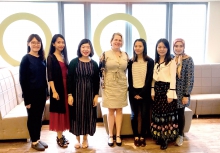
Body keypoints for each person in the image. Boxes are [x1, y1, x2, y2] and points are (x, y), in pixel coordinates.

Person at [67, 39, 100, 149]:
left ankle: (85, 138)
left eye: (88, 47)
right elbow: (69, 79)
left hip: (89, 94)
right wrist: (70, 94)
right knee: (77, 115)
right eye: (83, 47)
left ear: (91, 49)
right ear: (79, 49)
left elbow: (96, 81)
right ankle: (77, 139)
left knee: (88, 115)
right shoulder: (73, 62)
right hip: (76, 93)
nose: (85, 49)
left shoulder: (94, 64)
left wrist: (96, 95)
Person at [19, 34, 49, 151]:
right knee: (32, 118)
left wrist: (47, 93)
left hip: (41, 93)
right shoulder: (26, 59)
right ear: (28, 44)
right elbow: (23, 80)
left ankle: (37, 138)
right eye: (33, 42)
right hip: (31, 95)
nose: (36, 45)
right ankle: (34, 141)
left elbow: (43, 77)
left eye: (38, 42)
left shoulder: (42, 58)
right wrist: (27, 99)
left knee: (39, 118)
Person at [99, 33, 128, 147]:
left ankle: (118, 135)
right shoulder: (105, 54)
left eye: (120, 40)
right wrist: (103, 86)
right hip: (109, 85)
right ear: (111, 41)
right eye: (115, 40)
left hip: (121, 84)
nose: (117, 42)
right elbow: (100, 71)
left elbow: (126, 70)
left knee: (120, 110)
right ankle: (111, 135)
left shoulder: (125, 54)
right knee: (111, 110)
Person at [151, 38, 178, 150]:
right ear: (156, 48)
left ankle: (165, 138)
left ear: (167, 48)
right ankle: (159, 136)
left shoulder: (171, 62)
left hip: (167, 90)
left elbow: (173, 79)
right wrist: (152, 91)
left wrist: (171, 94)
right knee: (158, 114)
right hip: (157, 89)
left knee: (166, 115)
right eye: (159, 47)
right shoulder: (155, 62)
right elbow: (153, 79)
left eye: (164, 47)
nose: (161, 49)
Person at [127, 38, 154, 147]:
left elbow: (149, 79)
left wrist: (142, 93)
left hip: (145, 92)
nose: (137, 48)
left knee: (144, 114)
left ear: (144, 47)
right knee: (134, 115)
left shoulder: (150, 61)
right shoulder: (130, 61)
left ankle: (143, 136)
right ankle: (136, 136)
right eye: (135, 46)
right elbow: (129, 79)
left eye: (140, 46)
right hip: (133, 91)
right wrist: (134, 93)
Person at [47, 34, 70, 148]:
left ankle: (62, 135)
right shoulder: (51, 57)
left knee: (65, 110)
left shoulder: (63, 56)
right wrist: (54, 91)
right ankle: (59, 136)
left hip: (66, 86)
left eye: (63, 42)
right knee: (58, 111)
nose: (61, 44)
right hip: (57, 88)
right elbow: (50, 76)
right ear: (53, 44)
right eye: (59, 42)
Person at [173, 38, 194, 146]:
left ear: (184, 47)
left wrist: (186, 94)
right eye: (176, 46)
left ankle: (180, 135)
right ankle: (173, 133)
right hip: (172, 92)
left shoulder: (188, 59)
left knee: (180, 114)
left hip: (182, 93)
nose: (178, 48)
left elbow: (190, 78)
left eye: (180, 46)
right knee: (172, 114)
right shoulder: (171, 59)